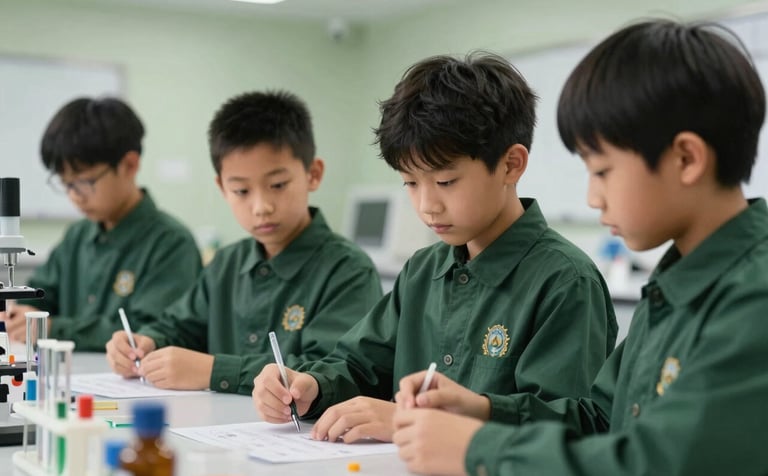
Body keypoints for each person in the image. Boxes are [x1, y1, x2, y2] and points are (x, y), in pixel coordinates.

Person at [391, 19, 768, 476]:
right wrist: (484, 410)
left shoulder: (754, 296)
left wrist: (479, 450)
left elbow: (660, 462)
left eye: (603, 171)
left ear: (686, 158)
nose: (592, 198)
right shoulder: (673, 285)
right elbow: (599, 418)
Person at [252, 52, 618, 444]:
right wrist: (312, 385)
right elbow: (360, 366)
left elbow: (575, 425)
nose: (427, 205)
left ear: (511, 165)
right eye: (410, 182)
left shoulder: (564, 280)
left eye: (445, 182)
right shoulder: (423, 270)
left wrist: (431, 425)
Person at [105, 90, 383, 395]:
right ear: (222, 187)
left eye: (277, 185)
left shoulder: (348, 270)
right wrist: (147, 342)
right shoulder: (226, 264)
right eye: (241, 191)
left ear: (313, 174)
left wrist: (214, 371)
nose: (261, 206)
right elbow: (180, 327)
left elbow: (333, 371)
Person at [0, 97, 201, 351]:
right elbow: (42, 293)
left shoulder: (171, 243)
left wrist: (52, 328)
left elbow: (153, 330)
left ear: (130, 164)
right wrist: (20, 312)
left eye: (85, 182)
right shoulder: (78, 235)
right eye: (66, 183)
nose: (74, 195)